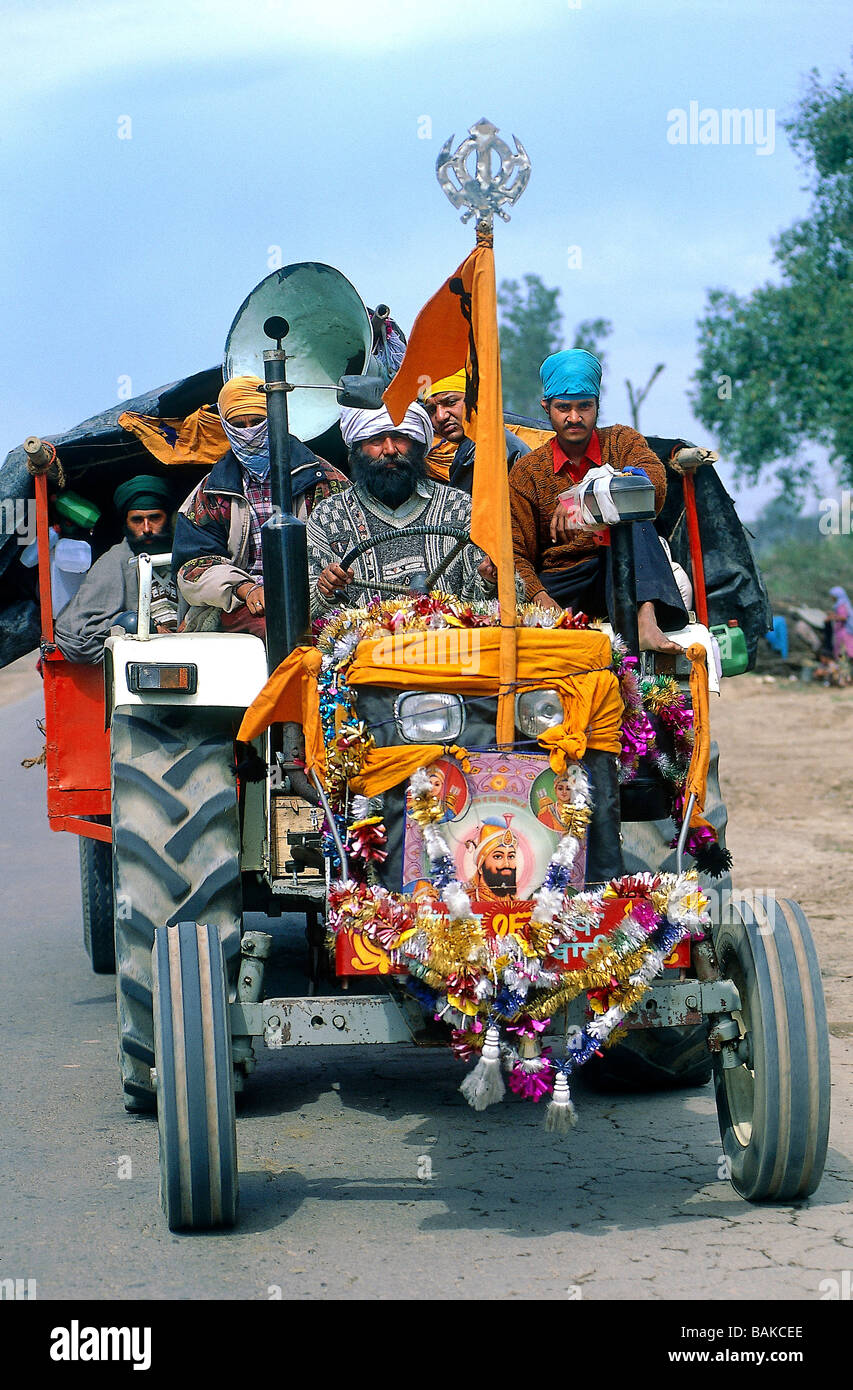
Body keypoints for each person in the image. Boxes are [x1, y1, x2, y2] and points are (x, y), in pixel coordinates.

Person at [509, 349, 689, 652]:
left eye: (585, 407)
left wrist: (585, 499)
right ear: (546, 407)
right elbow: (515, 553)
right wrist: (542, 601)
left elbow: (653, 487)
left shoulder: (622, 441)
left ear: (597, 406)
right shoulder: (527, 472)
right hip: (565, 582)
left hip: (623, 572)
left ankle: (645, 622)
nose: (574, 417)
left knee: (634, 517)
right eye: (563, 407)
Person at [172, 375, 347, 633]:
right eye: (238, 425)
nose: (249, 432)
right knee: (273, 627)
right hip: (239, 604)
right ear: (226, 427)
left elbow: (349, 544)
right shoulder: (210, 493)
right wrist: (246, 588)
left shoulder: (322, 479)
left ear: (275, 420)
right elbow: (192, 567)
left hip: (316, 596)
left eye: (257, 422)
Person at [308, 402, 501, 619]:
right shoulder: (328, 517)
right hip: (366, 650)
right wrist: (324, 591)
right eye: (376, 440)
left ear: (418, 445)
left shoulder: (461, 508)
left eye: (399, 438)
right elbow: (303, 614)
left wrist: (490, 579)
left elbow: (496, 607)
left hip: (451, 646)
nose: (390, 450)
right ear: (356, 451)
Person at [54, 475, 176, 663]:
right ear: (126, 523)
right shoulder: (115, 561)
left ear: (168, 518)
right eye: (137, 520)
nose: (146, 529)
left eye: (154, 518)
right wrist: (139, 625)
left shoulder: (185, 555)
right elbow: (76, 630)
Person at [422, 369, 531, 490]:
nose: (441, 416)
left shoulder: (488, 449)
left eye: (451, 402)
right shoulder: (468, 449)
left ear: (476, 399)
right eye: (432, 410)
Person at [464, 818, 519, 902]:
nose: (507, 864)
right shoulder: (466, 901)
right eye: (498, 856)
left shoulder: (517, 903)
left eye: (511, 856)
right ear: (481, 866)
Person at [829, 586, 853, 661]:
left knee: (842, 651)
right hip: (844, 631)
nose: (831, 598)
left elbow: (844, 617)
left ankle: (842, 663)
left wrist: (833, 617)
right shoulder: (844, 604)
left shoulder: (841, 605)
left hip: (843, 632)